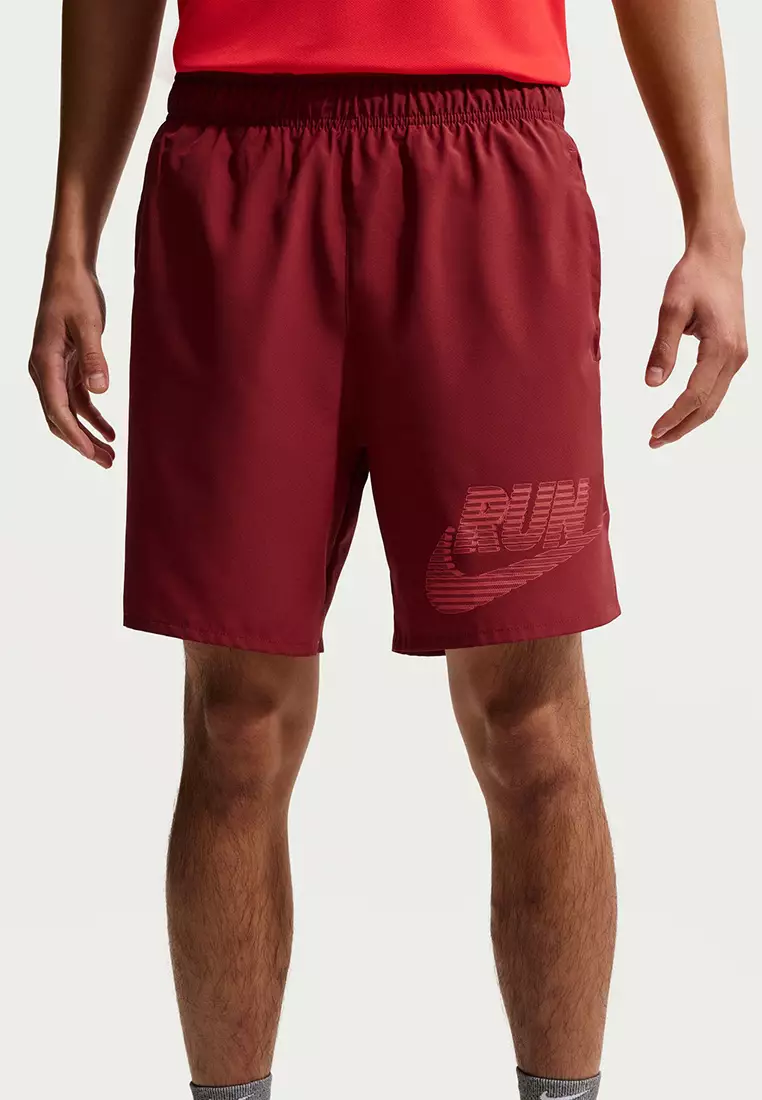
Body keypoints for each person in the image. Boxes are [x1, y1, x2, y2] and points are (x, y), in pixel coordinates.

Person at [28, 0, 747, 1097]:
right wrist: (70, 236)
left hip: (487, 164)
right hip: (237, 164)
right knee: (236, 724)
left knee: (532, 719)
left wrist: (716, 221)